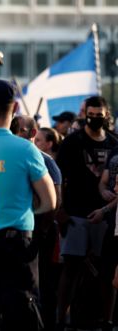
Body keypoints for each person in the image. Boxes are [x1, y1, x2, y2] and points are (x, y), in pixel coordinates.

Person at [0, 80, 56, 331]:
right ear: (15, 107)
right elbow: (50, 201)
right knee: (22, 313)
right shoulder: (26, 149)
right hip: (16, 242)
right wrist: (31, 211)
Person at [56, 96, 118, 331]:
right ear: (85, 115)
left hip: (107, 216)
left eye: (98, 115)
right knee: (71, 268)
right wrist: (60, 209)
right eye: (90, 115)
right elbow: (59, 178)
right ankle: (61, 320)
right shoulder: (72, 142)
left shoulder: (114, 143)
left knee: (106, 271)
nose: (94, 119)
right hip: (76, 214)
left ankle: (107, 320)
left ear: (106, 115)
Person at [10, 115, 63, 331]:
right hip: (19, 233)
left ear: (32, 133)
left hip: (40, 232)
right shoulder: (11, 157)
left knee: (42, 285)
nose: (15, 134)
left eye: (20, 130)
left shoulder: (45, 161)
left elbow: (55, 200)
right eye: (13, 129)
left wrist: (41, 230)